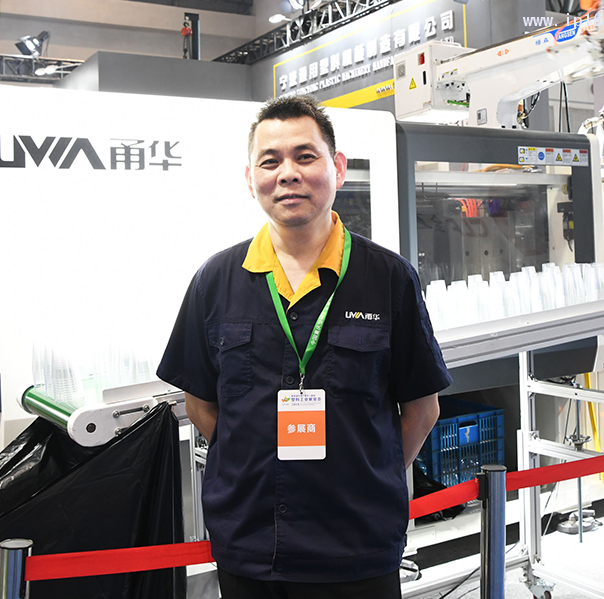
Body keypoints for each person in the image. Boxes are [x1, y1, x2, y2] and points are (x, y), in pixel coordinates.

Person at [157, 95, 452, 599]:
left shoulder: (389, 278)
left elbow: (422, 410)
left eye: (305, 156)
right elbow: (201, 405)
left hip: (357, 544)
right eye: (269, 161)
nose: (288, 173)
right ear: (250, 178)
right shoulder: (215, 281)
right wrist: (255, 462)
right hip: (252, 543)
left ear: (338, 167)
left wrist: (365, 475)